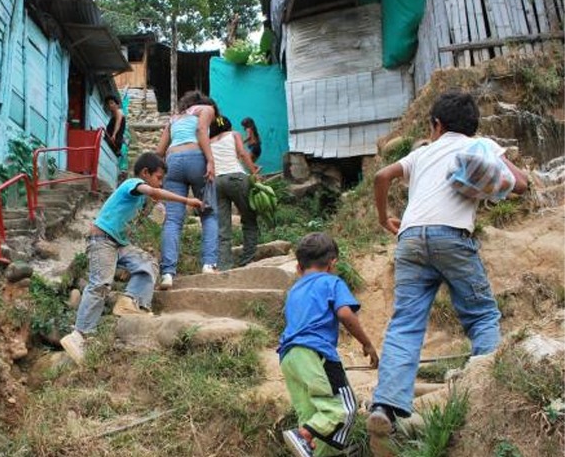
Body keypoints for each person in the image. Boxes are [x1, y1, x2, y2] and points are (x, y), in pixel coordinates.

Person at [366, 91, 528, 455]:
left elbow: (382, 175)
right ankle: (489, 392)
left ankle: (385, 407)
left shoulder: (422, 152)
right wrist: (498, 157)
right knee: (482, 314)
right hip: (452, 236)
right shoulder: (481, 145)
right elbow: (520, 184)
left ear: (435, 126)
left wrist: (382, 218)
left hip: (409, 238)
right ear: (472, 127)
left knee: (405, 323)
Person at [60, 152, 204, 365]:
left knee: (148, 263)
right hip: (102, 241)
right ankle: (79, 334)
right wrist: (186, 200)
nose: (160, 182)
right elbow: (150, 189)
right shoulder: (133, 182)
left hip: (118, 242)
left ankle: (132, 302)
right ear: (145, 173)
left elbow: (142, 207)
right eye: (158, 177)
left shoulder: (137, 196)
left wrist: (155, 205)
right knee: (100, 283)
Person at [279, 232, 378, 457]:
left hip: (288, 357)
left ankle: (314, 449)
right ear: (332, 263)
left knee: (313, 413)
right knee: (343, 407)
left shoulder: (294, 290)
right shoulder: (331, 281)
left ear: (298, 267)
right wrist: (367, 344)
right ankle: (302, 434)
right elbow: (345, 313)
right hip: (316, 354)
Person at [155, 90, 218, 289]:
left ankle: (167, 274)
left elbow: (159, 151)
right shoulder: (207, 109)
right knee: (208, 213)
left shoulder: (174, 118)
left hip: (172, 161)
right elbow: (201, 130)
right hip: (196, 157)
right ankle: (208, 264)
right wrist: (210, 159)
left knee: (173, 220)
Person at [209, 115, 260, 270]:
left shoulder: (208, 142)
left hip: (217, 182)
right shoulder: (234, 134)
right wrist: (254, 173)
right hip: (237, 179)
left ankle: (224, 264)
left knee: (223, 226)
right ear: (229, 126)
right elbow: (243, 154)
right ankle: (247, 258)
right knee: (249, 219)